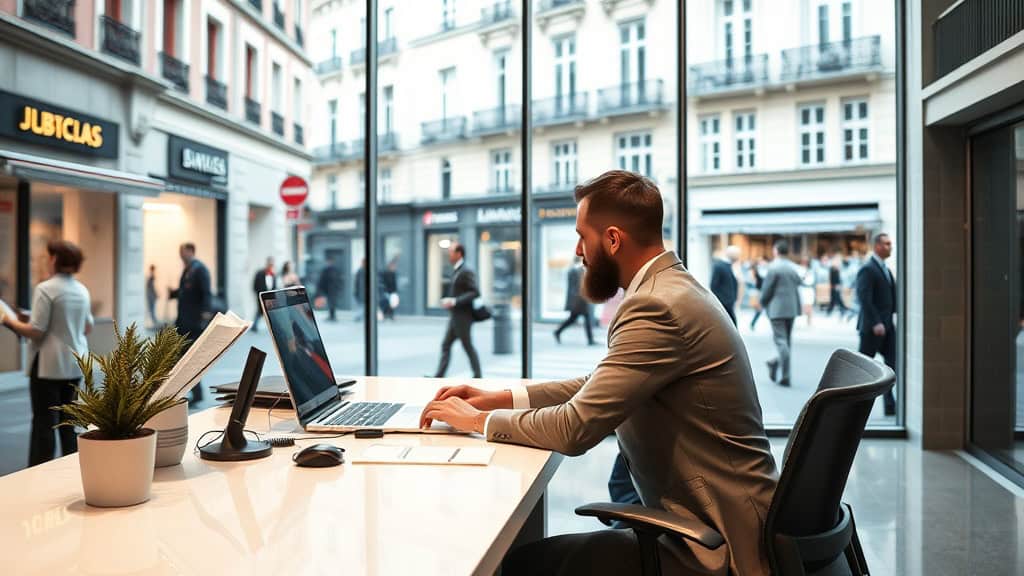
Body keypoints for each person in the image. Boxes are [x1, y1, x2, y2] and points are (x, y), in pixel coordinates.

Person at [419, 171, 777, 576]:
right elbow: (598, 384)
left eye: (581, 236)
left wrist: (479, 421)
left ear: (611, 240)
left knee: (523, 565)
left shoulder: (658, 307)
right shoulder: (671, 288)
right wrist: (499, 398)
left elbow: (575, 428)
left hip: (718, 542)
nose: (577, 251)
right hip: (717, 520)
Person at [1, 240, 93, 466]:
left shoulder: (45, 288)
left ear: (54, 259)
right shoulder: (81, 289)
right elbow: (87, 326)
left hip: (48, 367)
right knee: (69, 423)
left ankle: (40, 472)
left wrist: (8, 320)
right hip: (75, 364)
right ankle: (72, 468)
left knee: (44, 424)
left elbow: (36, 331)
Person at [856, 232, 897, 416]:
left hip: (887, 326)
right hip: (873, 328)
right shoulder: (868, 269)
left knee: (891, 364)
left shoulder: (885, 269)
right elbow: (864, 298)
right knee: (864, 369)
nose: (890, 247)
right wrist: (876, 322)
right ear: (877, 246)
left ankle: (889, 403)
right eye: (887, 244)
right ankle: (857, 404)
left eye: (890, 244)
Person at [431, 243, 482, 379]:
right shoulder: (458, 270)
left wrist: (454, 301)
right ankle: (439, 376)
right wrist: (450, 300)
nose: (449, 254)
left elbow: (475, 292)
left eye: (451, 251)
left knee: (467, 347)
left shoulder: (466, 270)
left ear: (459, 254)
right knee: (446, 345)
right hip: (455, 317)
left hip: (463, 318)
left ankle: (478, 376)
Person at [168, 242, 211, 403]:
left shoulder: (200, 270)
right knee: (184, 358)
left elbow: (206, 294)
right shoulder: (188, 270)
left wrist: (204, 317)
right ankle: (194, 392)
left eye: (184, 252)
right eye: (180, 252)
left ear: (191, 251)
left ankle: (196, 393)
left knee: (189, 358)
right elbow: (186, 292)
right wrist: (174, 293)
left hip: (194, 324)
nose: (181, 255)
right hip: (183, 322)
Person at [760, 240, 802, 387]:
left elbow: (767, 290)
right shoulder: (792, 268)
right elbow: (799, 281)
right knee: (786, 342)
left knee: (781, 341)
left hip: (777, 310)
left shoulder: (773, 268)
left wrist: (762, 303)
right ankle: (775, 363)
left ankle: (785, 375)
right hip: (791, 309)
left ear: (776, 251)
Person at [553, 258, 595, 345]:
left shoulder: (579, 270)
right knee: (582, 318)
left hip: (581, 300)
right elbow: (574, 288)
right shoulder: (574, 270)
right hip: (579, 300)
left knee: (574, 319)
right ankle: (590, 340)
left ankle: (558, 331)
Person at [710, 245, 741, 325]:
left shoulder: (731, 266)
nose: (739, 257)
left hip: (729, 302)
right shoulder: (719, 266)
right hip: (724, 303)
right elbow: (713, 286)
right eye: (737, 254)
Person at [251, 257, 276, 332]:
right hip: (261, 296)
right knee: (259, 311)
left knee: (270, 312)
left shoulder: (273, 274)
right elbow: (255, 285)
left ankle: (273, 327)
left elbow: (274, 286)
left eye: (272, 264)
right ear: (267, 263)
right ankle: (254, 326)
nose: (271, 265)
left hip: (270, 297)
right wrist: (258, 294)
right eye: (270, 264)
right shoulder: (260, 273)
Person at [316, 257, 342, 322]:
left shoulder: (335, 270)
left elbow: (339, 280)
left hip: (333, 289)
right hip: (329, 289)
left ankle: (332, 316)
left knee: (333, 302)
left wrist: (339, 287)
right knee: (331, 302)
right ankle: (332, 316)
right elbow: (322, 280)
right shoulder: (326, 270)